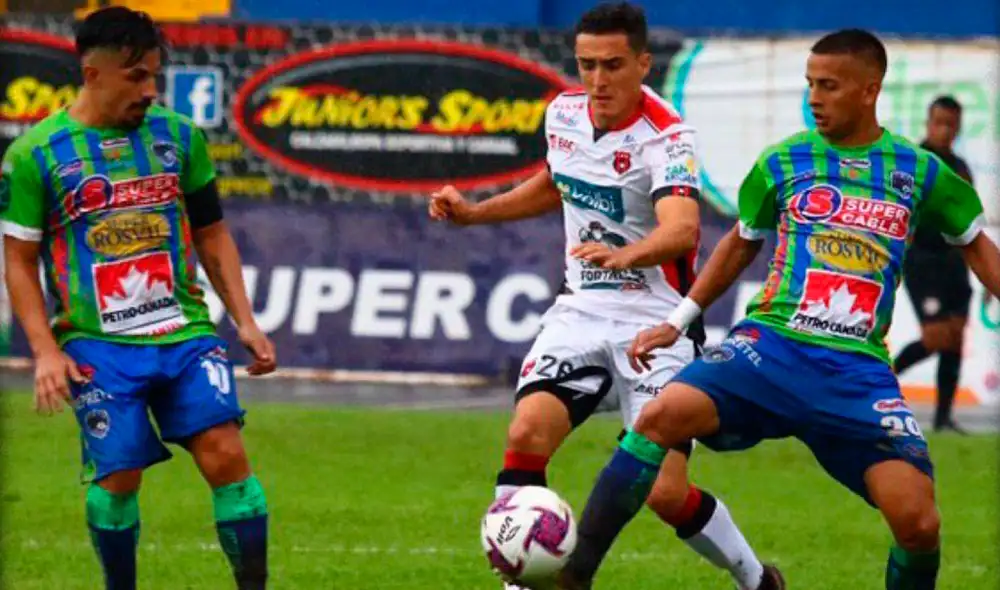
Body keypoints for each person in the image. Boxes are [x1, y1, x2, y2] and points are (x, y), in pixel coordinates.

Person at [553, 28, 1000, 590]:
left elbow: (981, 253)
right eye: (810, 84)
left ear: (870, 90)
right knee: (659, 419)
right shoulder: (783, 162)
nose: (814, 97)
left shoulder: (924, 173)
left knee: (919, 522)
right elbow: (740, 244)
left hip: (856, 372)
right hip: (770, 348)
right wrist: (677, 321)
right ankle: (574, 576)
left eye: (830, 85)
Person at [429, 3, 781, 589]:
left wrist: (626, 255)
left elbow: (682, 228)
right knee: (524, 435)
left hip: (656, 321)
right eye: (586, 65)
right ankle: (521, 581)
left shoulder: (667, 137)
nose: (597, 80)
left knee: (665, 493)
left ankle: (756, 580)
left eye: (613, 65)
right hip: (581, 311)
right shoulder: (563, 114)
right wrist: (474, 214)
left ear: (642, 63)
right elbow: (557, 182)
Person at [0, 7, 276, 589]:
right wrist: (46, 351)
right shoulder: (36, 155)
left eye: (154, 75)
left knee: (226, 453)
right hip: (98, 343)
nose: (149, 90)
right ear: (92, 71)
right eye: (135, 76)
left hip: (184, 331)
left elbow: (211, 232)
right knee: (119, 476)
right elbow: (19, 261)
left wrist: (245, 321)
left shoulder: (180, 137)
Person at [894, 96, 975, 433]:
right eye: (938, 122)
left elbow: (970, 223)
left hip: (955, 264)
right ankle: (884, 376)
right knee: (935, 337)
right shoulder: (914, 161)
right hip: (923, 262)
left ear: (957, 127)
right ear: (928, 122)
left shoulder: (960, 169)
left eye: (950, 124)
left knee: (955, 339)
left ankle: (943, 419)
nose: (944, 130)